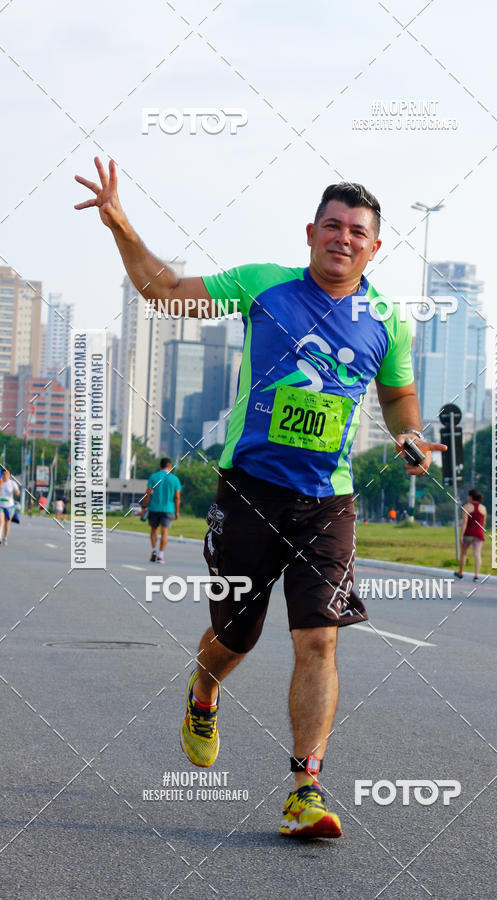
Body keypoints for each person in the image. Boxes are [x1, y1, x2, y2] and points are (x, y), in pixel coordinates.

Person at [75, 157, 446, 839]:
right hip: (249, 489)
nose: (343, 237)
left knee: (320, 638)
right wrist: (121, 225)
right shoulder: (263, 285)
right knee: (235, 636)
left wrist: (410, 434)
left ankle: (306, 788)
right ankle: (204, 688)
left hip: (328, 500)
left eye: (357, 231)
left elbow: (399, 397)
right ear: (310, 232)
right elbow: (166, 293)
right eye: (332, 225)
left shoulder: (388, 320)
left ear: (375, 247)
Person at [141, 457, 181, 564]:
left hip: (154, 508)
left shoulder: (153, 477)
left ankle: (154, 550)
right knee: (164, 532)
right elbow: (177, 497)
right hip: (169, 509)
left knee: (153, 530)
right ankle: (161, 555)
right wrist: (177, 511)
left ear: (160, 466)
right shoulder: (175, 479)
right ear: (170, 466)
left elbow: (148, 493)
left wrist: (144, 507)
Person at [454, 489, 487, 581]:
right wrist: (481, 532)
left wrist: (461, 535)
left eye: (468, 496)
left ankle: (460, 573)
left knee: (464, 554)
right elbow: (484, 523)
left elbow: (464, 522)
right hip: (479, 534)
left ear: (471, 497)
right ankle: (476, 576)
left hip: (468, 534)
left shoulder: (466, 507)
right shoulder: (483, 508)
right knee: (477, 554)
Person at [0, 468, 20, 545]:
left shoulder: (12, 483)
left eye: (7, 474)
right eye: (4, 474)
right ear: (2, 475)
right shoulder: (0, 482)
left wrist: (17, 492)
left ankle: (5, 538)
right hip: (0, 505)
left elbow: (17, 492)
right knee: (1, 521)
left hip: (10, 506)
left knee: (7, 523)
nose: (5, 476)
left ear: (9, 475)